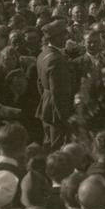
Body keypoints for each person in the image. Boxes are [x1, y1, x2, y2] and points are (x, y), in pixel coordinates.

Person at [36, 20, 73, 149]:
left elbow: (40, 83)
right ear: (55, 38)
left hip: (47, 106)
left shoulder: (43, 54)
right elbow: (58, 92)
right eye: (63, 35)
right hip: (56, 112)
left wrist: (47, 100)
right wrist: (65, 118)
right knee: (57, 146)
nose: (66, 38)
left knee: (48, 143)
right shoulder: (56, 60)